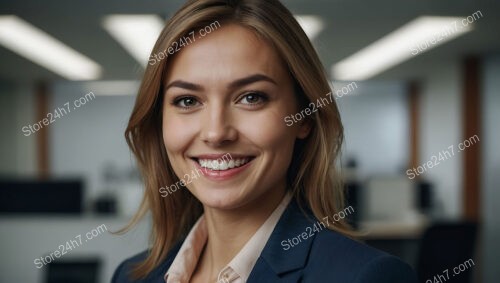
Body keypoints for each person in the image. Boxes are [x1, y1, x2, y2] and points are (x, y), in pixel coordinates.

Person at [112, 0, 418, 282]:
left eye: (251, 97)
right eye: (188, 101)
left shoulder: (365, 277)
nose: (216, 133)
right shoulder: (130, 276)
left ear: (304, 116)